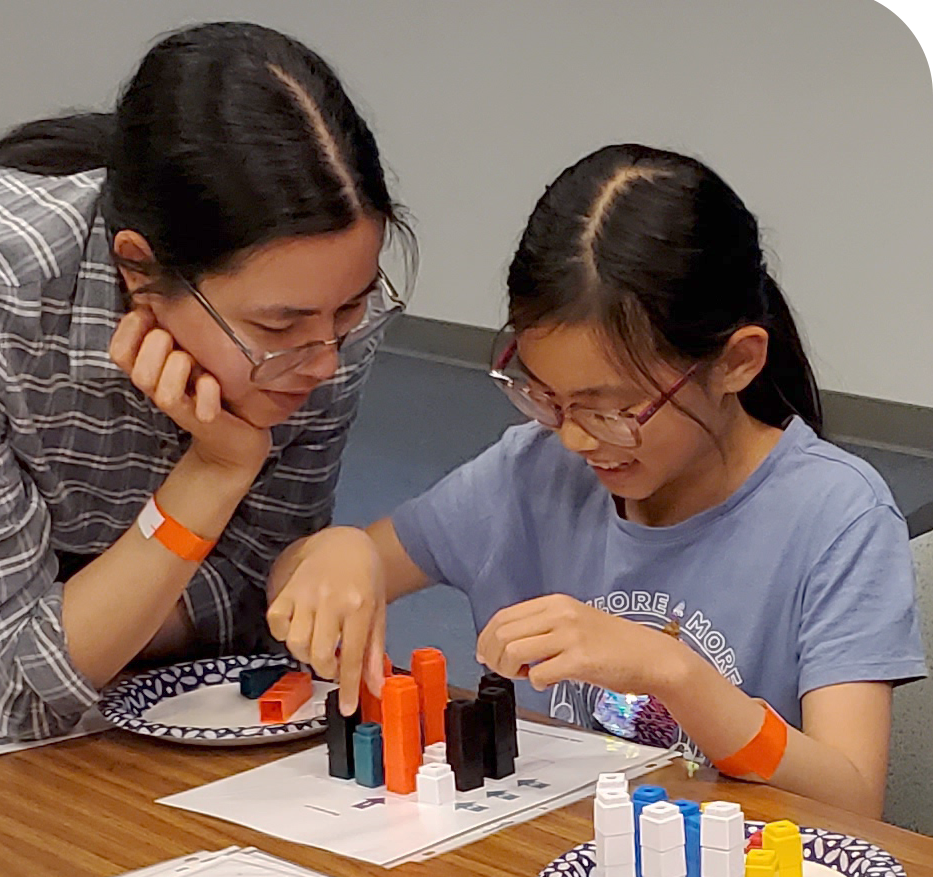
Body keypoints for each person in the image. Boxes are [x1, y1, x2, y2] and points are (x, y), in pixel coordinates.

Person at [0, 21, 413, 740]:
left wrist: (65, 617)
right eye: (279, 329)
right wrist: (212, 476)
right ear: (137, 268)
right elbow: (24, 691)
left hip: (13, 597)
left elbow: (258, 605)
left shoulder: (318, 307)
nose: (326, 361)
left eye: (351, 306)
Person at [266, 143, 925, 818]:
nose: (576, 437)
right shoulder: (529, 473)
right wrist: (338, 553)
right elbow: (299, 582)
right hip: (547, 866)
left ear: (736, 362)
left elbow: (852, 798)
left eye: (611, 409)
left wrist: (673, 673)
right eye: (547, 397)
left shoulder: (836, 516)